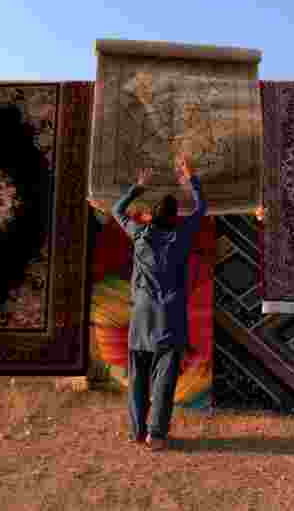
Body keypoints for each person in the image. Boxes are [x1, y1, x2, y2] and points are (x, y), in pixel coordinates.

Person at [111, 154, 207, 452]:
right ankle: (157, 434)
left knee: (138, 376)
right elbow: (201, 208)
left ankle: (138, 431)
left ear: (151, 215)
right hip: (169, 317)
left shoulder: (139, 235)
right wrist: (190, 179)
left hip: (141, 316)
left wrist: (138, 187)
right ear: (174, 218)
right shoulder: (180, 237)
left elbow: (117, 210)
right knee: (164, 379)